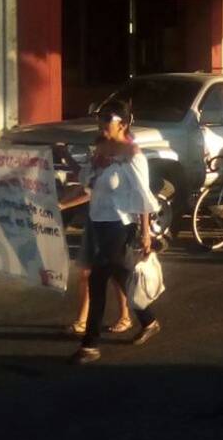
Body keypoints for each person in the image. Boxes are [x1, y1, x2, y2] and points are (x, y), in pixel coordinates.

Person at [66, 100, 162, 364]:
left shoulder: (133, 154)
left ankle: (90, 345)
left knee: (98, 280)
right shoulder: (101, 148)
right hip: (98, 221)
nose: (102, 123)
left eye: (108, 118)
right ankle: (149, 320)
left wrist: (146, 233)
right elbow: (87, 182)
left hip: (120, 225)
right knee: (122, 276)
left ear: (124, 123)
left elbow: (143, 195)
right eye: (101, 117)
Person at [57, 143, 132, 337]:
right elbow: (82, 179)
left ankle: (125, 316)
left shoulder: (116, 168)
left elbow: (89, 192)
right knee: (86, 271)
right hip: (94, 222)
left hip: (113, 224)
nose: (94, 153)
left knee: (114, 273)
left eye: (98, 149)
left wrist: (63, 205)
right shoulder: (96, 165)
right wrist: (66, 155)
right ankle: (82, 319)